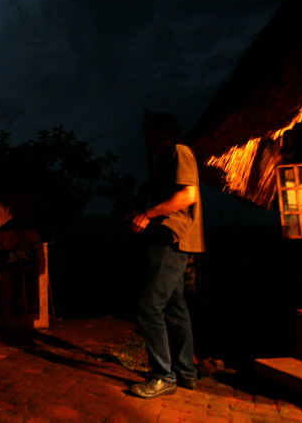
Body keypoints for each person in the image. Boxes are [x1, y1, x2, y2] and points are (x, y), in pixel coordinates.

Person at [127, 109, 206, 399]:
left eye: (147, 135)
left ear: (158, 134)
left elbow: (188, 195)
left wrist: (148, 214)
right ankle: (186, 373)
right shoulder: (167, 158)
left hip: (172, 240)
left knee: (149, 308)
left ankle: (163, 375)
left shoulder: (179, 152)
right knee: (175, 309)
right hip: (172, 238)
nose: (144, 140)